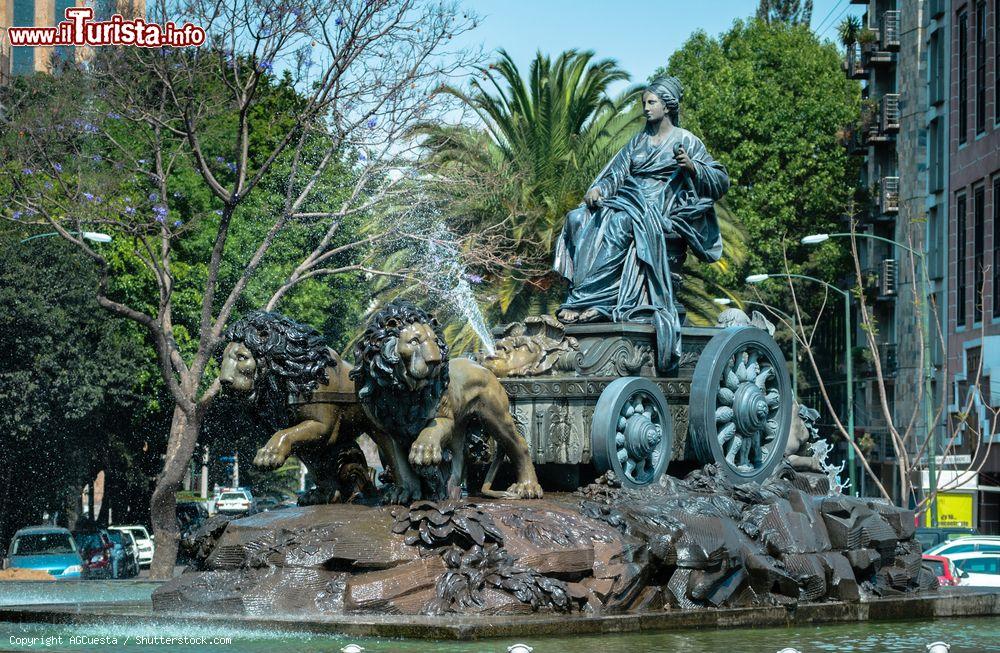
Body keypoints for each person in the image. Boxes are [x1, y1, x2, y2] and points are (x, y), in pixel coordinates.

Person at [553, 75, 730, 370]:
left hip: (660, 206)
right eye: (644, 103)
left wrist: (693, 167)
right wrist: (598, 190)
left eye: (651, 102)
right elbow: (615, 175)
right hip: (628, 197)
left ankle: (598, 300)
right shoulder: (637, 142)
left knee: (619, 222)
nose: (646, 108)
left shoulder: (686, 141)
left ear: (668, 105)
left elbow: (720, 180)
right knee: (578, 217)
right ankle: (581, 297)